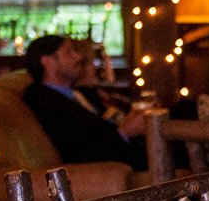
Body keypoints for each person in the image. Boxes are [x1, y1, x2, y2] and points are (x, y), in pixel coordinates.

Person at [22, 35, 147, 169]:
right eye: (68, 52)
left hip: (136, 150)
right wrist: (124, 132)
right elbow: (80, 151)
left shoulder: (79, 93)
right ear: (47, 62)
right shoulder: (44, 100)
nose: (78, 57)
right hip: (116, 165)